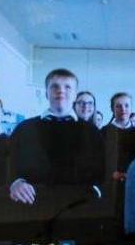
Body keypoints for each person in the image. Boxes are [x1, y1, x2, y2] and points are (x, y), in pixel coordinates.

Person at [7, 68, 104, 206]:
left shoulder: (91, 132)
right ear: (46, 93)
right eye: (55, 86)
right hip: (32, 205)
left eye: (67, 87)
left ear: (75, 95)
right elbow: (9, 163)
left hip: (78, 207)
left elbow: (101, 172)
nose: (61, 90)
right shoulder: (25, 128)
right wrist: (15, 183)